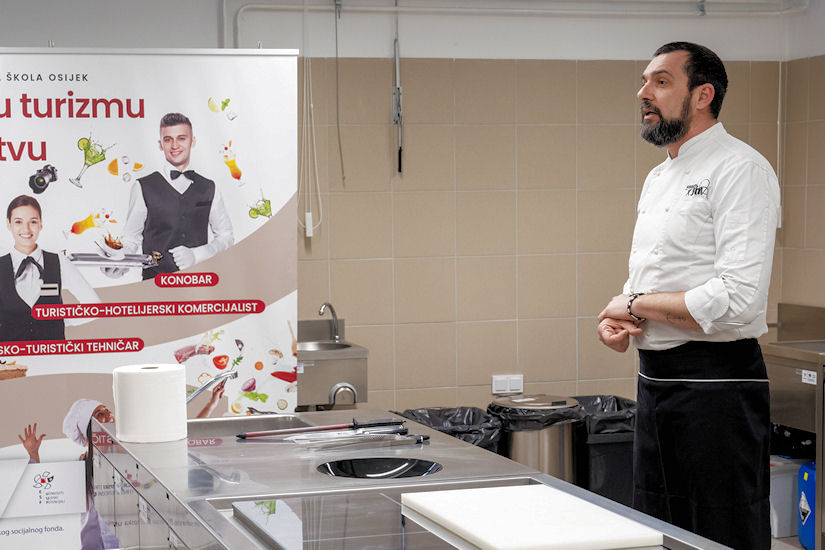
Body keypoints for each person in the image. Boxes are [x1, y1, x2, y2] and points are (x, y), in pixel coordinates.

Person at [597, 42, 780, 550]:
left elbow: (738, 299)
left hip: (718, 387)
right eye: (644, 82)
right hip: (655, 382)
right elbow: (657, 275)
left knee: (722, 531)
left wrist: (633, 305)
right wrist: (623, 319)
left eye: (661, 82)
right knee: (658, 528)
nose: (644, 93)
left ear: (703, 95)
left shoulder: (741, 169)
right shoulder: (659, 176)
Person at [18, 385, 226, 550]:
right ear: (88, 428)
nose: (109, 416)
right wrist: (33, 456)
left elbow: (182, 441)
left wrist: (211, 404)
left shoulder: (132, 452)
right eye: (100, 414)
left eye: (107, 411)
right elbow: (44, 494)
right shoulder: (81, 466)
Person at [114, 112, 234, 280]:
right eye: (168, 139)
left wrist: (196, 255)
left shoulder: (209, 187)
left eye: (181, 138)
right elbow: (130, 238)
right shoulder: (143, 186)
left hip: (199, 285)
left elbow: (226, 237)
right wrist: (120, 262)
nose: (175, 145)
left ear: (192, 141)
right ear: (160, 144)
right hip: (154, 286)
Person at [0, 194, 100, 341]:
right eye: (18, 222)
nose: (26, 229)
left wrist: (60, 321)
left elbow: (94, 306)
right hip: (11, 354)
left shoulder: (59, 262)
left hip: (52, 352)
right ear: (8, 224)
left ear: (41, 224)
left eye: (33, 222)